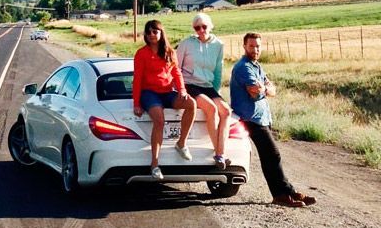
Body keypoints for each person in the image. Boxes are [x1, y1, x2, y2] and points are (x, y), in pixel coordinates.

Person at [230, 33, 317, 207]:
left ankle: (287, 193)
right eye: (251, 46)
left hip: (262, 118)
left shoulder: (256, 66)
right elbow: (254, 92)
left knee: (270, 156)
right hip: (251, 119)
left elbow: (272, 89)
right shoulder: (243, 67)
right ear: (244, 46)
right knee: (272, 155)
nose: (255, 49)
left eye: (258, 46)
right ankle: (282, 194)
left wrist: (264, 88)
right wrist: (264, 89)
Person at [133, 19, 197, 180]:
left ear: (161, 33)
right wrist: (136, 103)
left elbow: (177, 73)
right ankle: (155, 164)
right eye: (148, 32)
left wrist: (182, 90)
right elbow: (137, 79)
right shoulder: (141, 53)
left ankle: (181, 143)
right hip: (149, 93)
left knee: (191, 104)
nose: (151, 35)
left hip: (168, 92)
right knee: (159, 120)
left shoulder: (170, 52)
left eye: (155, 31)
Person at [176, 12, 232, 170]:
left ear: (210, 26)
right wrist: (180, 89)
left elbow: (218, 71)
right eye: (197, 27)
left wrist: (216, 92)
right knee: (211, 109)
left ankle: (220, 153)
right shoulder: (186, 43)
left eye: (204, 26)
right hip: (190, 84)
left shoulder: (218, 45)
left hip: (208, 86)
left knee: (226, 111)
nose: (201, 30)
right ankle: (220, 154)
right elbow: (176, 68)